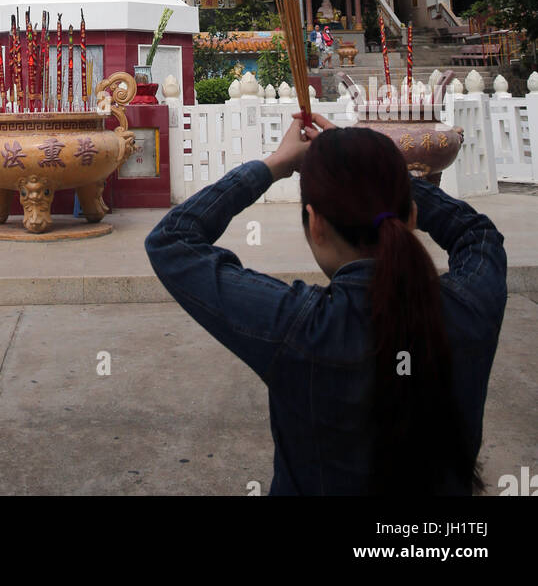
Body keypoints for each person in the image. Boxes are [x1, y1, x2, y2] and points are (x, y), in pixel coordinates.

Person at [145, 113, 507, 495]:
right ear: (412, 216)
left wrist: (274, 165)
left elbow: (172, 240)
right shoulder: (470, 305)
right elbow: (477, 233)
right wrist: (378, 171)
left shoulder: (296, 326)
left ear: (314, 224)